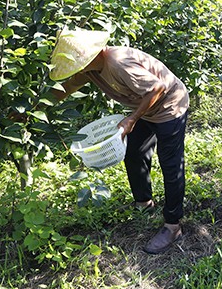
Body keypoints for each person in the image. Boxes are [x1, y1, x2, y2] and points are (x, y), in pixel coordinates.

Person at [48, 28, 189, 254]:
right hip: (145, 108)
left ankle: (173, 226)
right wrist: (33, 109)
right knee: (134, 152)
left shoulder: (118, 63)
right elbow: (67, 88)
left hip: (169, 106)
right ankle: (144, 203)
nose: (78, 68)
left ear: (91, 55)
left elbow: (158, 88)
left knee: (170, 164)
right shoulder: (91, 70)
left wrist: (132, 119)